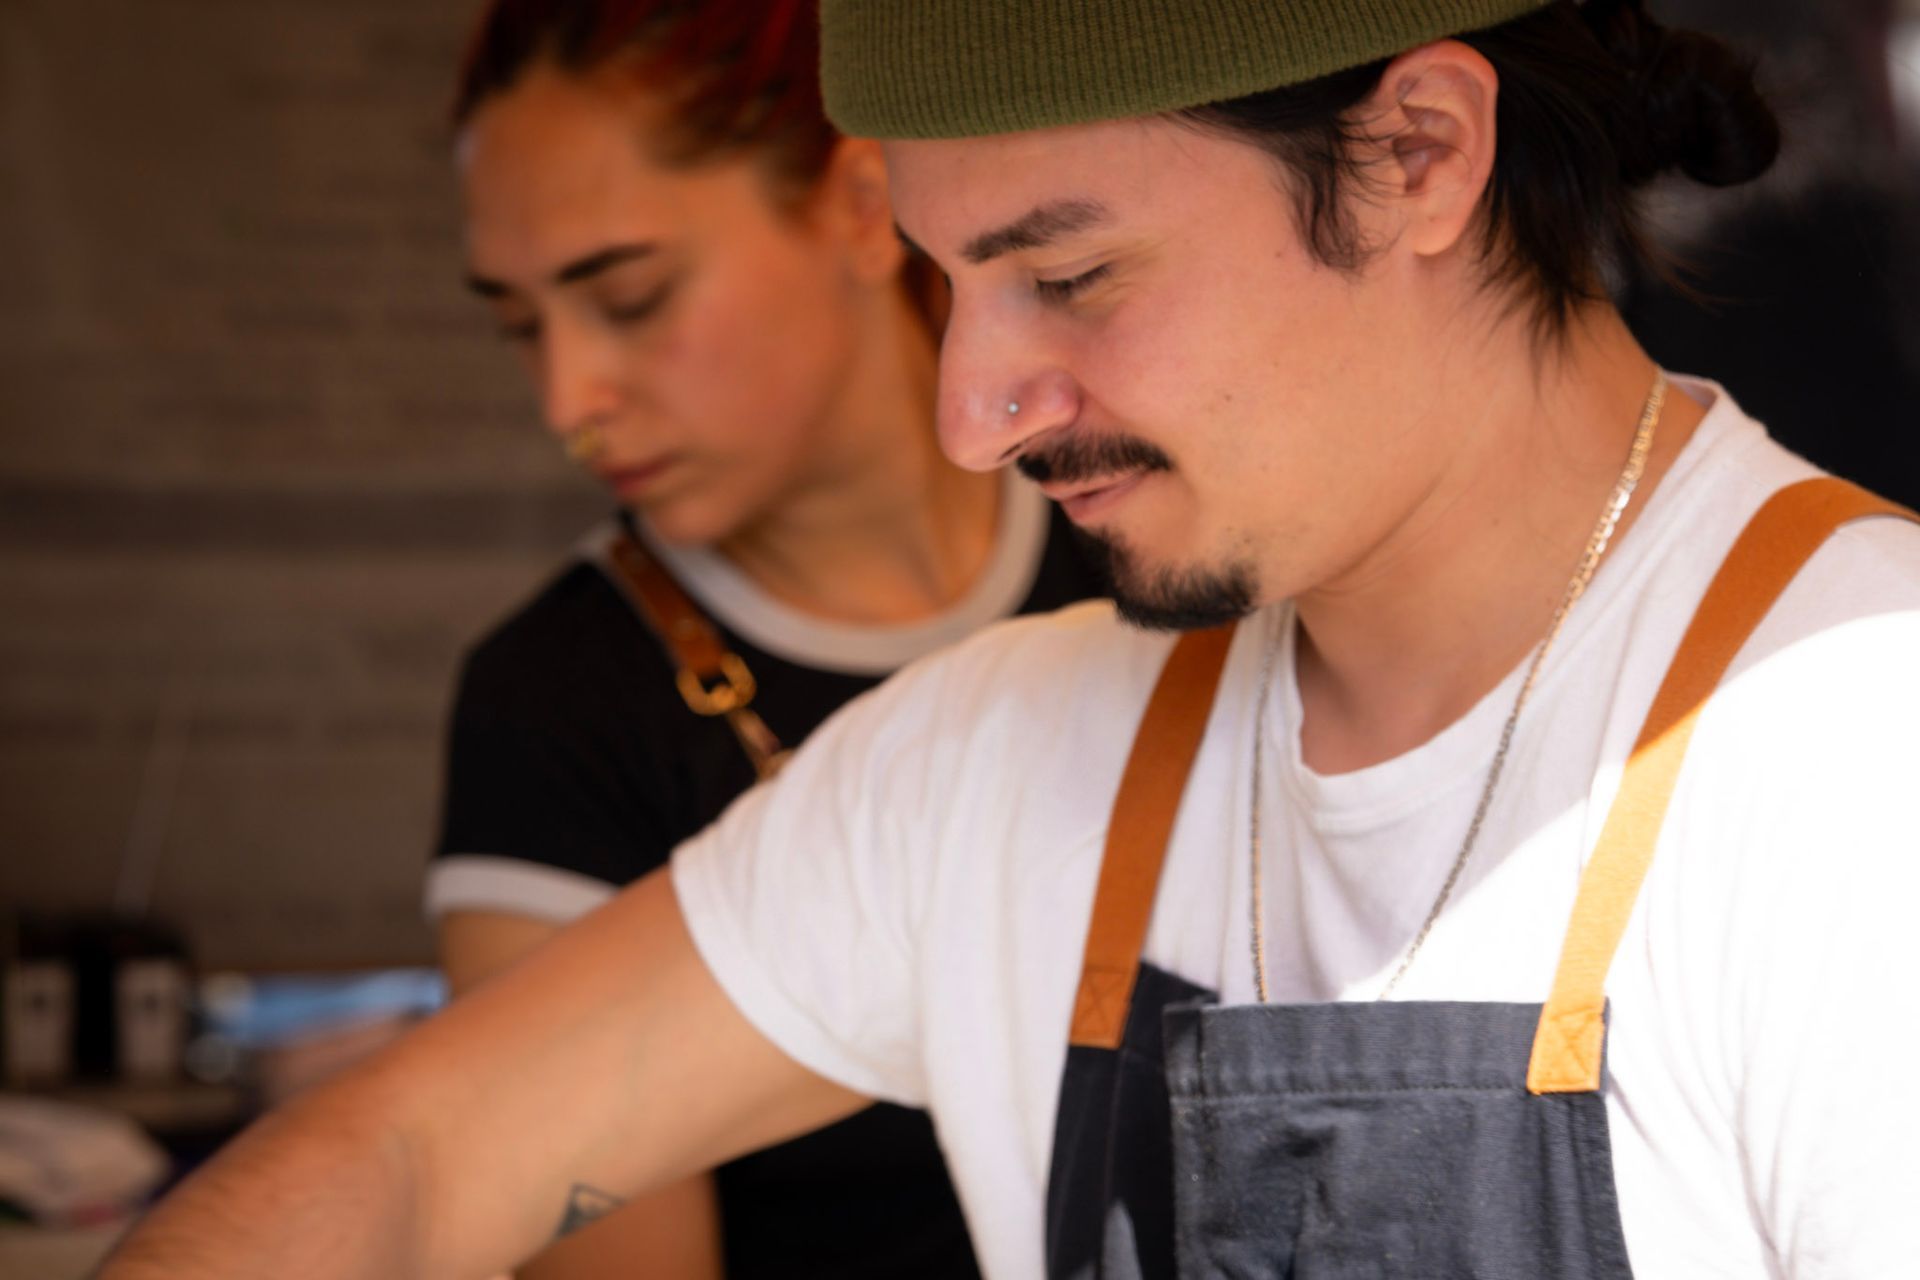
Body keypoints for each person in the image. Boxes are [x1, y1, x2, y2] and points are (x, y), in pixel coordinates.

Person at [101, 1, 1920, 1277]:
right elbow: (411, 1158)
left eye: (1071, 275)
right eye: (941, 281)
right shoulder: (1006, 763)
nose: (976, 408)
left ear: (1418, 153)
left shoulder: (1855, 742)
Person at [430, 1, 1099, 1276]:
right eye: (520, 324)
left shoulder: (1157, 538)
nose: (568, 398)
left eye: (629, 296)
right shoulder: (560, 701)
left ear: (860, 204)